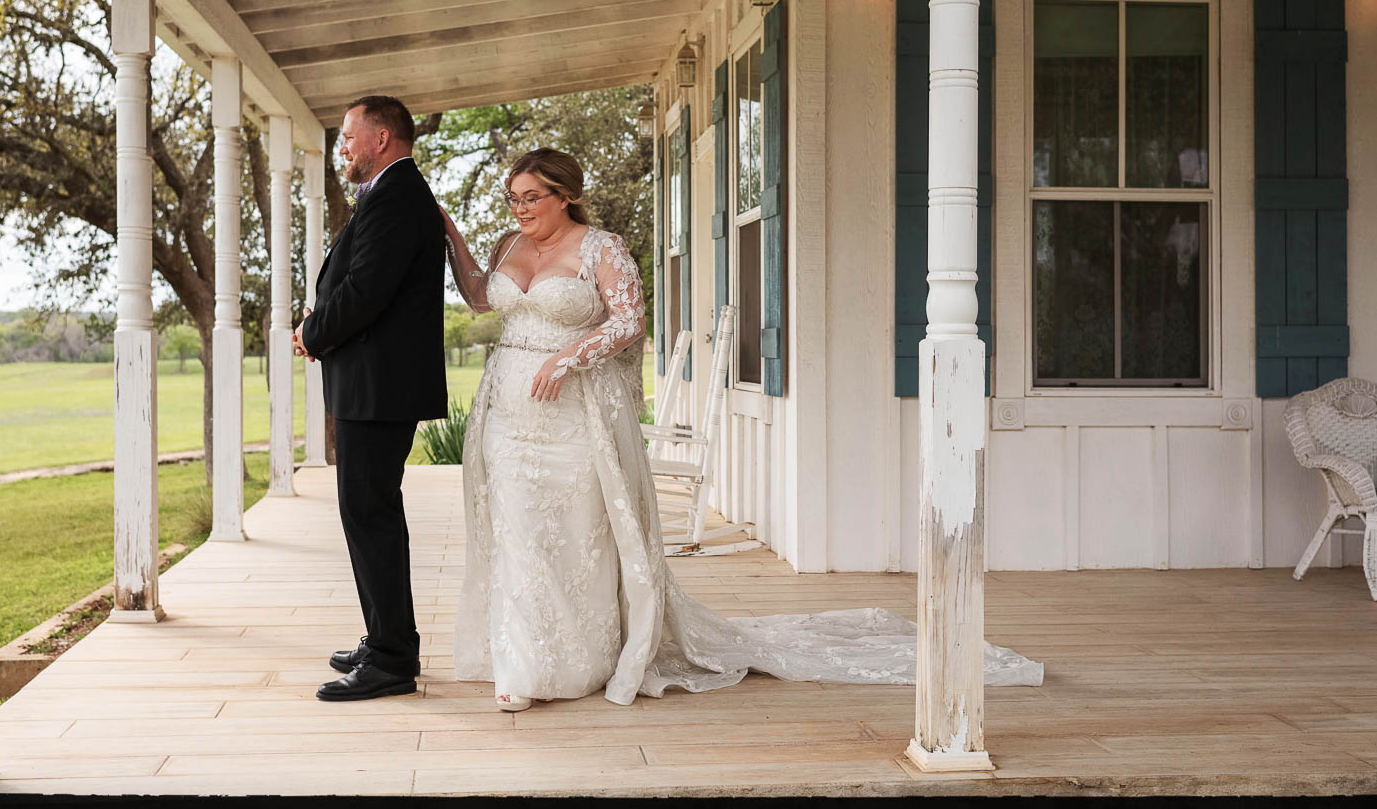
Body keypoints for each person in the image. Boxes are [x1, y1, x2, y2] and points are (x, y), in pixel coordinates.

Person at [442, 148, 1043, 712]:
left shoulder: (600, 247)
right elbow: (478, 299)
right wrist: (447, 228)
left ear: (564, 195)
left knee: (575, 534)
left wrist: (566, 358)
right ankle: (522, 668)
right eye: (512, 198)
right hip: (510, 416)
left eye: (530, 197)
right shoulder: (505, 245)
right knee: (517, 531)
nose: (519, 209)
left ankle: (583, 659)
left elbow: (629, 321)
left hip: (574, 417)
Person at [292, 95, 447, 701]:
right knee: (368, 514)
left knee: (370, 515)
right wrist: (321, 315)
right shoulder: (391, 193)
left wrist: (312, 331)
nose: (345, 149)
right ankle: (386, 638)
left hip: (379, 391)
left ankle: (391, 659)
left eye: (351, 138)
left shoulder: (399, 196)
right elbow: (355, 282)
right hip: (371, 386)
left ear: (382, 138)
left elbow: (365, 293)